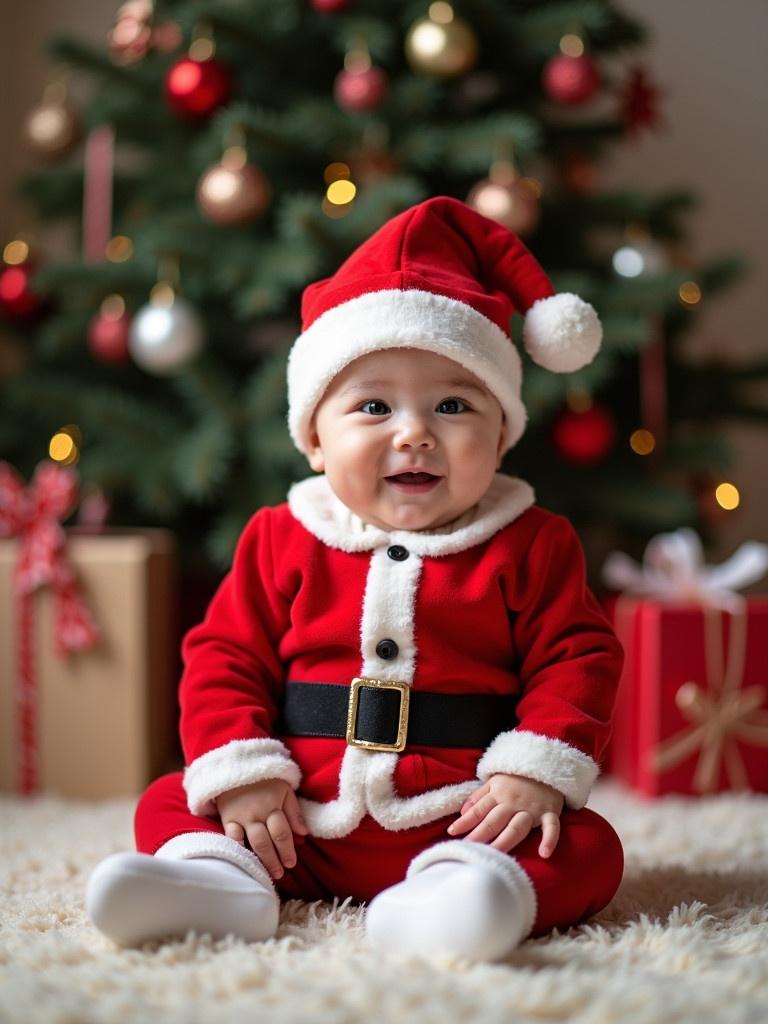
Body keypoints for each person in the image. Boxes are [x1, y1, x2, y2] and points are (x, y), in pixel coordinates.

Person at [86, 195, 625, 961]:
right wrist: (242, 770)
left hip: (465, 813)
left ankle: (465, 898)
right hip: (294, 819)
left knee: (588, 844)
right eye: (373, 406)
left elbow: (579, 658)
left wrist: (531, 772)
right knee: (173, 798)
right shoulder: (281, 536)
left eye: (453, 405)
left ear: (501, 435)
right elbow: (224, 658)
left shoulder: (533, 544)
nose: (414, 432)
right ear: (313, 439)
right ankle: (218, 883)